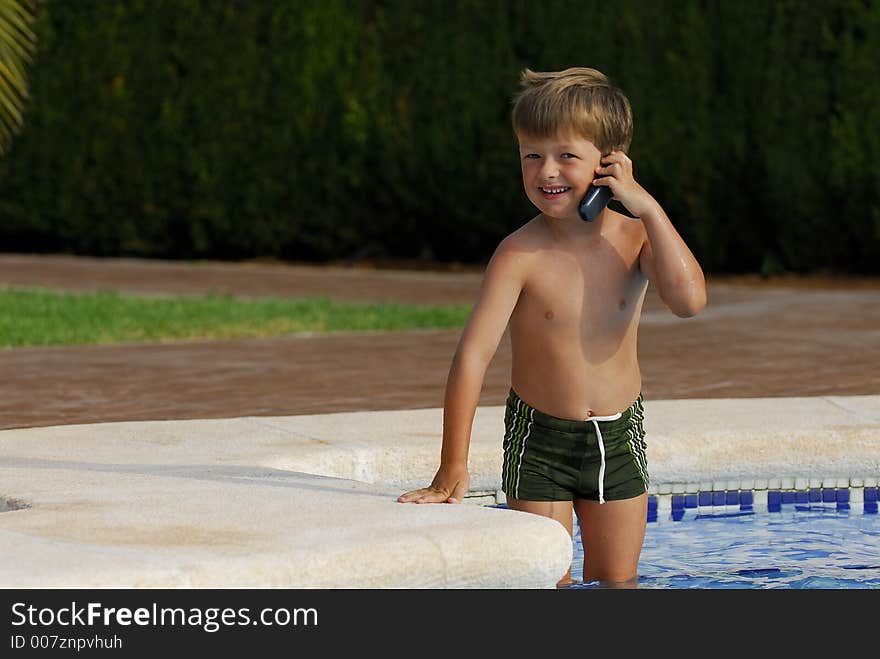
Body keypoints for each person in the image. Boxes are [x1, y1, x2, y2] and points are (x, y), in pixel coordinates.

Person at [397, 67, 706, 588]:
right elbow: (472, 356)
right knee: (546, 582)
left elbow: (690, 300)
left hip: (617, 436)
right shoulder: (519, 253)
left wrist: (648, 207)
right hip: (538, 438)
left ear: (611, 164)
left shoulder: (634, 240)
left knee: (617, 583)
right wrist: (453, 465)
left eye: (566, 155)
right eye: (531, 156)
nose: (546, 171)